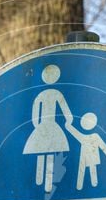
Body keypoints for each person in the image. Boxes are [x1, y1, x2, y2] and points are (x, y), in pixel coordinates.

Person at [23, 64, 73, 192]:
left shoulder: (44, 94)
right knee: (49, 152)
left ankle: (41, 181)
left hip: (43, 126)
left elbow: (35, 113)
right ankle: (45, 183)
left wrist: (37, 126)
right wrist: (69, 119)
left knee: (45, 151)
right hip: (49, 126)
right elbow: (65, 110)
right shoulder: (55, 93)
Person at [66, 112, 106, 190]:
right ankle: (80, 186)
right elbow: (74, 132)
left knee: (90, 169)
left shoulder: (92, 136)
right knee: (83, 170)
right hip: (85, 156)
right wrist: (68, 126)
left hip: (92, 156)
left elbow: (102, 145)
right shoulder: (88, 137)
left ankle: (90, 184)